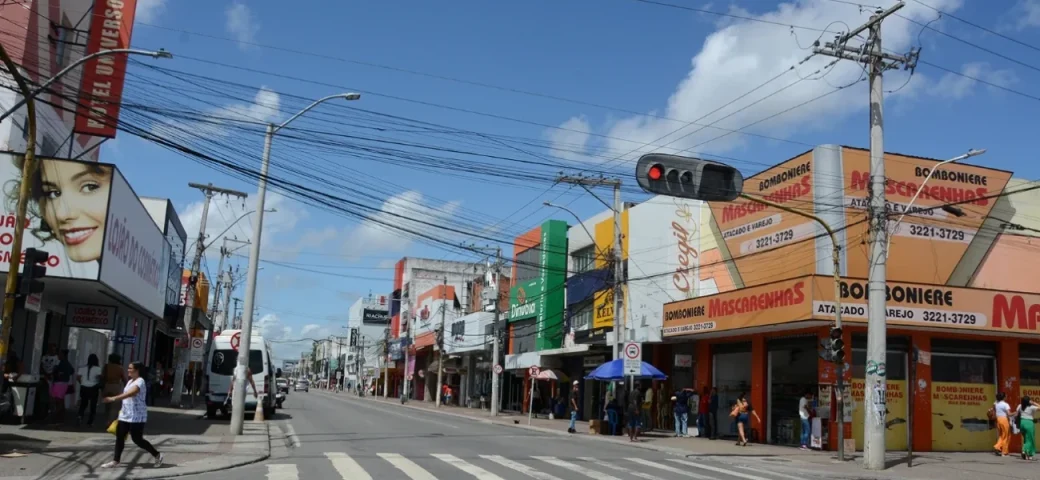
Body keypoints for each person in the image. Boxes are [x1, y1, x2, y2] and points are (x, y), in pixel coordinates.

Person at [101, 361, 163, 469]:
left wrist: (113, 398)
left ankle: (157, 455)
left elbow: (131, 393)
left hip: (137, 416)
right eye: (128, 368)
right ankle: (115, 461)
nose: (128, 370)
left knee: (137, 439)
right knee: (120, 437)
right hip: (125, 414)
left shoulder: (140, 381)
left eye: (131, 368)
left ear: (137, 370)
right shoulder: (130, 381)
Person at [76, 354, 102, 426]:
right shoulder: (98, 369)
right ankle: (90, 421)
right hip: (93, 388)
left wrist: (82, 383)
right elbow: (100, 378)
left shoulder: (82, 368)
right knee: (93, 405)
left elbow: (78, 378)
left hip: (84, 387)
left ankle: (80, 416)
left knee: (83, 404)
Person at [49, 349, 74, 423]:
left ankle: (56, 414)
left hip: (60, 383)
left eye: (60, 354)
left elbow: (71, 371)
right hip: (61, 383)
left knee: (58, 400)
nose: (58, 356)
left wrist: (62, 373)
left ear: (63, 355)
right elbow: (72, 371)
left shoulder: (64, 363)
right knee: (60, 399)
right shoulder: (63, 362)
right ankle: (60, 414)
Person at [102, 354, 126, 424]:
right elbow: (124, 379)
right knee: (114, 406)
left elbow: (103, 376)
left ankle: (106, 418)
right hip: (116, 387)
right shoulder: (120, 368)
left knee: (107, 405)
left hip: (107, 386)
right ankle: (110, 421)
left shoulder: (106, 367)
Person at [1015, 396, 1039, 461]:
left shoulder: (1020, 406)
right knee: (1030, 439)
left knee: (1026, 438)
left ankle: (1029, 454)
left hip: (1022, 423)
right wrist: (1033, 403)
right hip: (1029, 423)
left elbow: (1016, 414)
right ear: (1028, 401)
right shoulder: (1031, 407)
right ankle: (1024, 450)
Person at [992, 392, 1012, 457]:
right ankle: (1003, 451)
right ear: (1004, 397)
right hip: (1004, 420)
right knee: (1006, 436)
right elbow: (1009, 414)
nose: (1006, 397)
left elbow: (994, 407)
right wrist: (1015, 413)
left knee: (1001, 435)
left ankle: (998, 446)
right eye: (1006, 396)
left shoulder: (996, 404)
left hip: (998, 419)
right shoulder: (1005, 404)